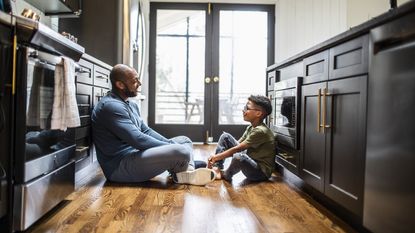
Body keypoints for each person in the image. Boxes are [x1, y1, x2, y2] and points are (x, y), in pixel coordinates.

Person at [91, 64, 215, 185]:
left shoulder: (130, 104)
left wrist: (170, 144)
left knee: (184, 140)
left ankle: (187, 170)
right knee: (181, 150)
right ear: (120, 85)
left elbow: (145, 131)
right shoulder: (111, 106)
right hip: (120, 167)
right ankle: (184, 166)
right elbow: (138, 140)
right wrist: (171, 147)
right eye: (134, 81)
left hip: (135, 154)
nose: (139, 84)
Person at [207, 95, 275, 182]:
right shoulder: (251, 127)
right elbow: (237, 145)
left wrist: (216, 157)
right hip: (251, 160)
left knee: (239, 157)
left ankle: (226, 174)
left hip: (260, 172)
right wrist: (217, 158)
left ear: (258, 113)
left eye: (247, 108)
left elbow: (237, 149)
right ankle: (217, 168)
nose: (243, 110)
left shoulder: (260, 131)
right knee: (226, 137)